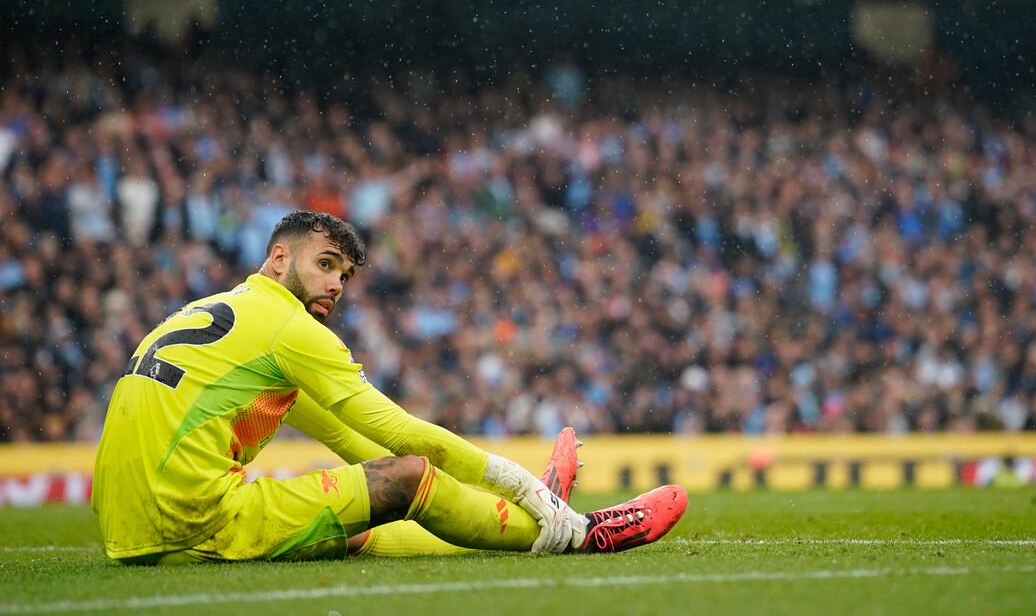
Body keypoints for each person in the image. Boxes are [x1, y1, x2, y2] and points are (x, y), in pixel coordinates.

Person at [92, 210, 687, 564]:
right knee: (406, 479)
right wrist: (527, 487)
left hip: (124, 529)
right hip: (190, 521)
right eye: (325, 264)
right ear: (277, 260)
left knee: (371, 509)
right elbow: (399, 437)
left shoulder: (220, 312)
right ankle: (578, 534)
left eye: (345, 275)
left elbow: (358, 447)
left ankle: (529, 520)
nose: (337, 284)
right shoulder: (289, 329)